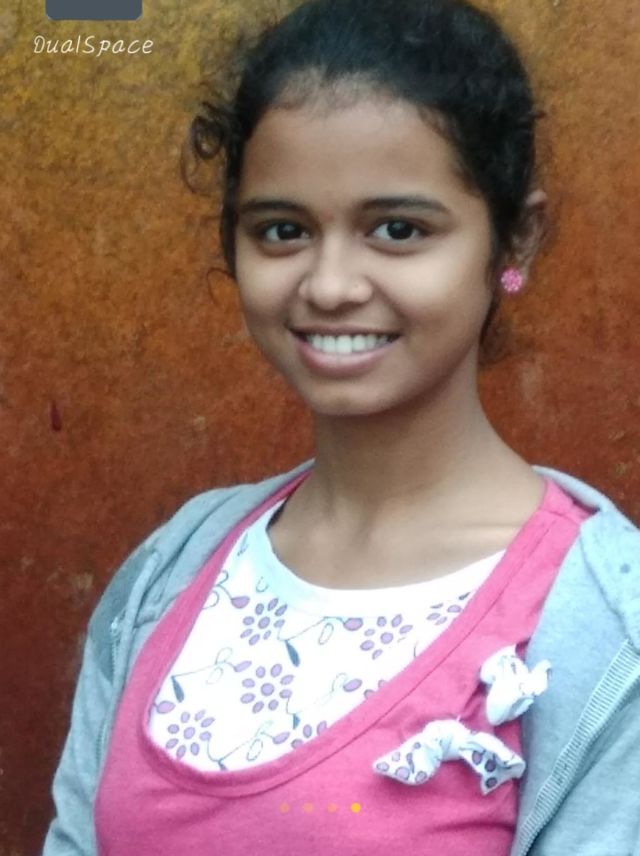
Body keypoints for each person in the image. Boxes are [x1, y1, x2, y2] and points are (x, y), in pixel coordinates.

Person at [42, 0, 640, 854]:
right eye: (283, 231)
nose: (329, 285)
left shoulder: (604, 629)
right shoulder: (173, 571)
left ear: (515, 240)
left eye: (398, 230)